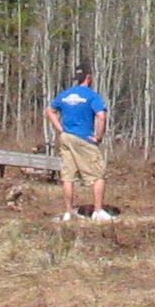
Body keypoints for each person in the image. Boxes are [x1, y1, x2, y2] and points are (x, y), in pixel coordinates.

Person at [46, 62, 115, 222]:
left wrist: (60, 129)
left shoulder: (65, 95)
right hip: (84, 138)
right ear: (88, 78)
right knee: (98, 174)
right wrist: (98, 136)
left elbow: (49, 110)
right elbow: (101, 116)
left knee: (68, 176)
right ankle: (98, 211)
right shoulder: (92, 95)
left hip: (66, 138)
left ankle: (68, 213)